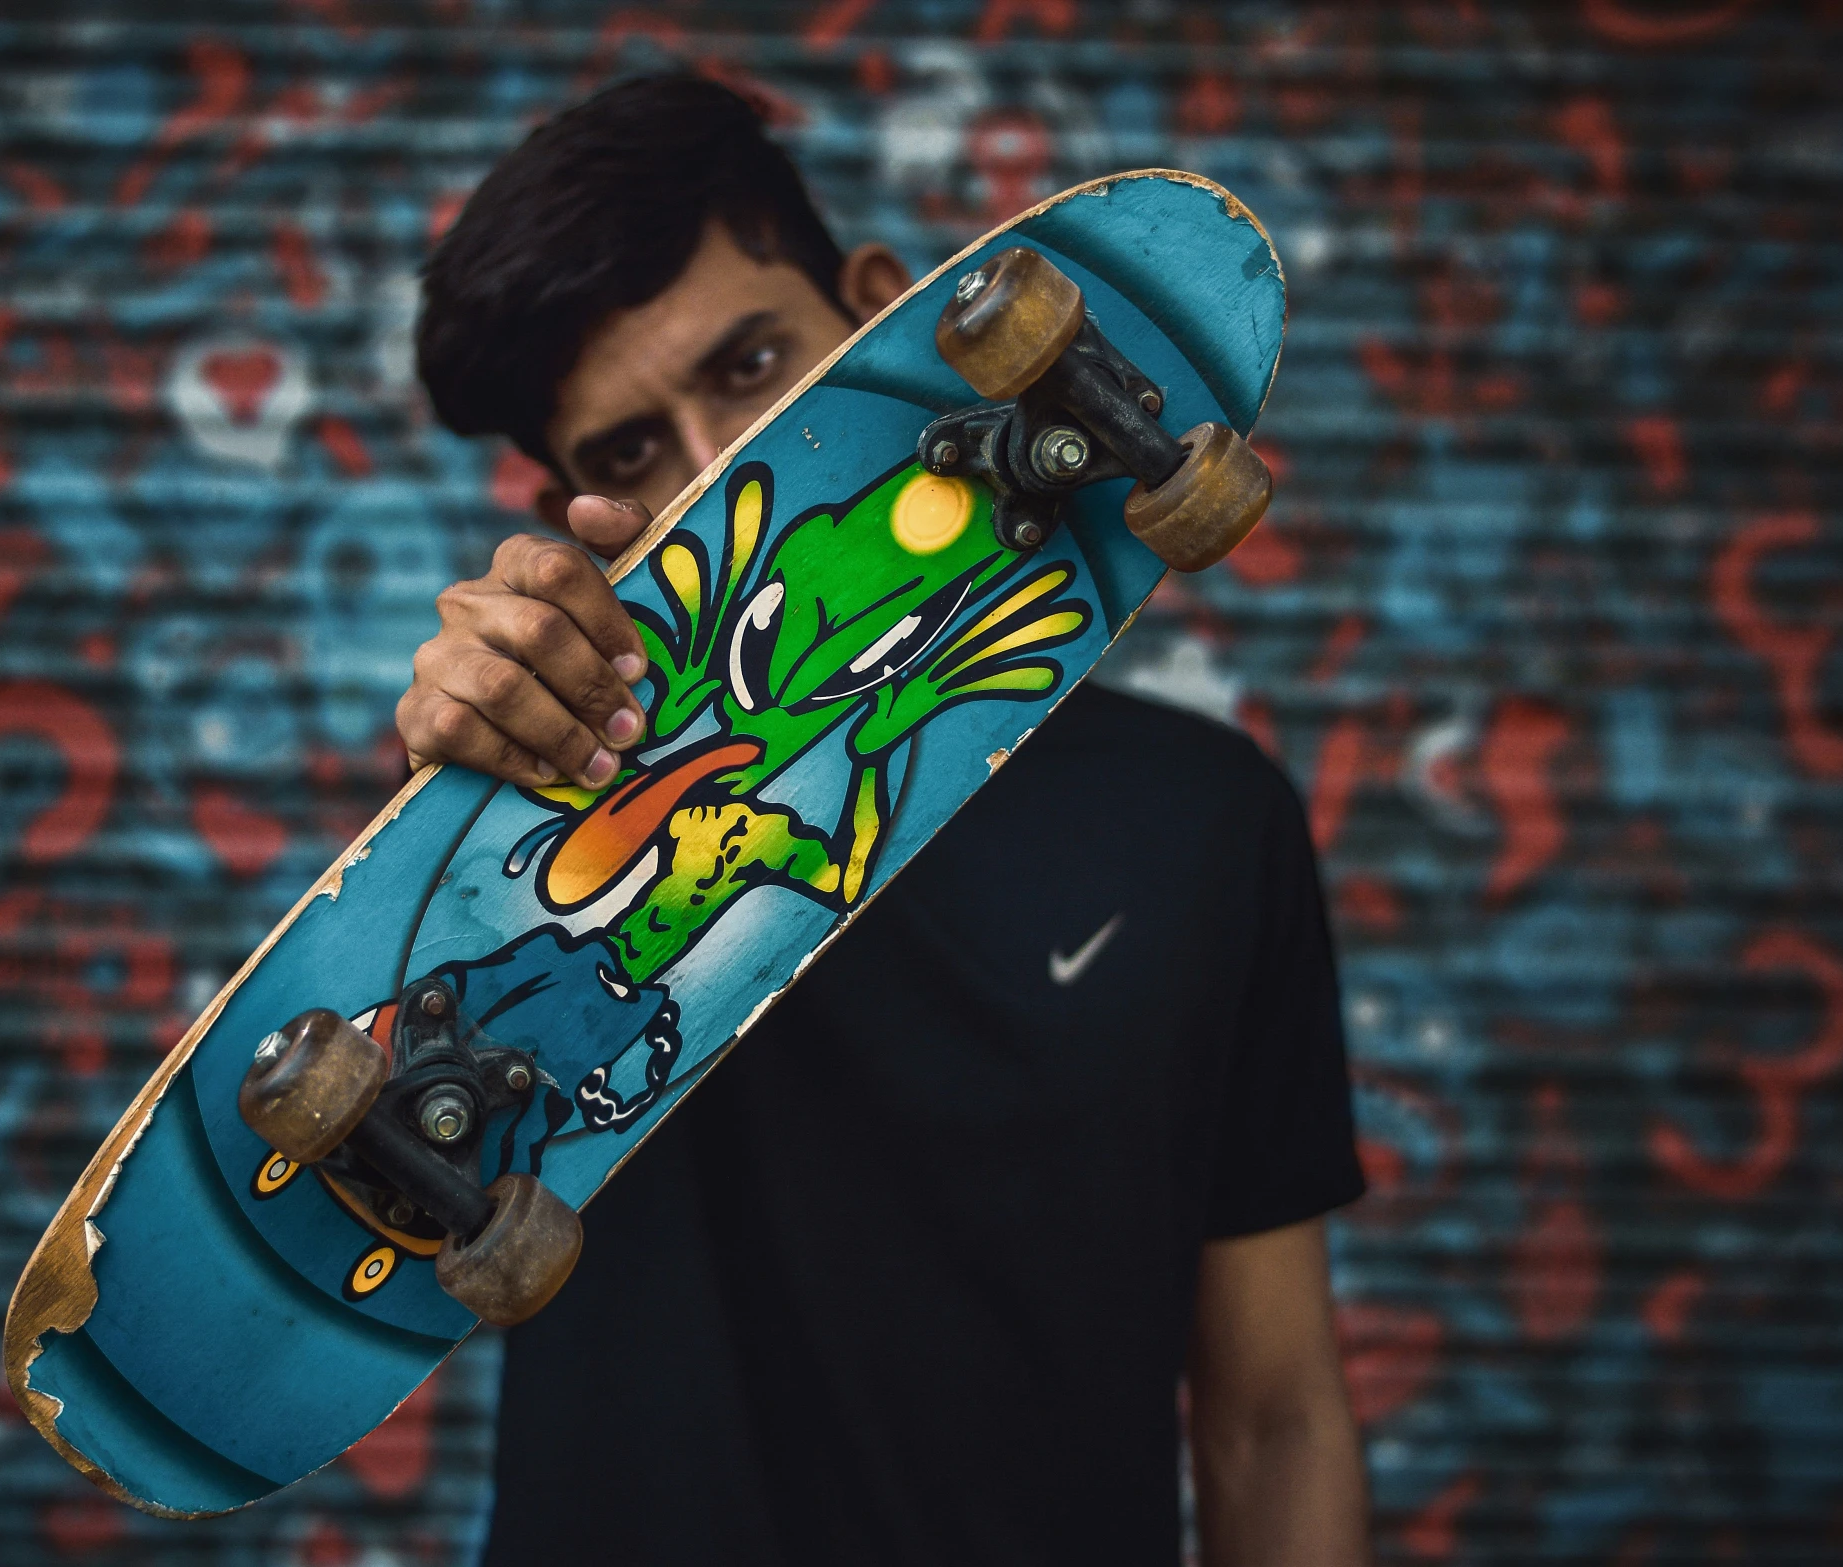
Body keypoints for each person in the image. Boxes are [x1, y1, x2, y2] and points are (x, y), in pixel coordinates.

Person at [402, 74, 1371, 1567]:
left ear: (878, 311)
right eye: (627, 453)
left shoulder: (1199, 822)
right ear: (574, 508)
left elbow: (1271, 1416)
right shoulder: (554, 837)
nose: (720, 464)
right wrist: (461, 789)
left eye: (753, 365)